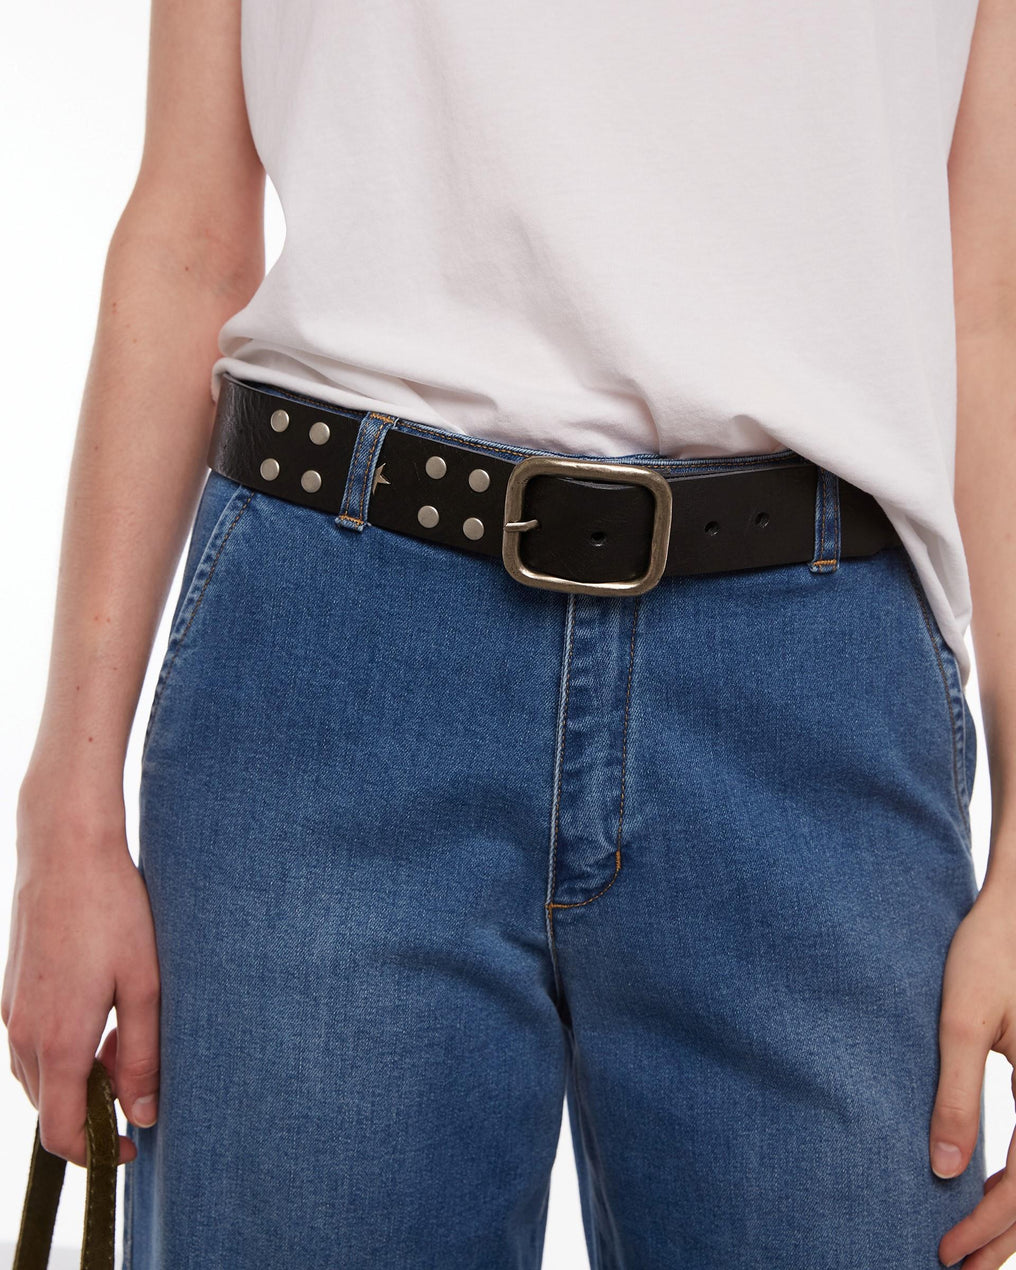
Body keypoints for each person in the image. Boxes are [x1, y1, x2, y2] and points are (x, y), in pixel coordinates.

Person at [4, 0, 1015, 1266]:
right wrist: (67, 811)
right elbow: (190, 234)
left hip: (816, 701)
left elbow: (982, 308)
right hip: (332, 661)